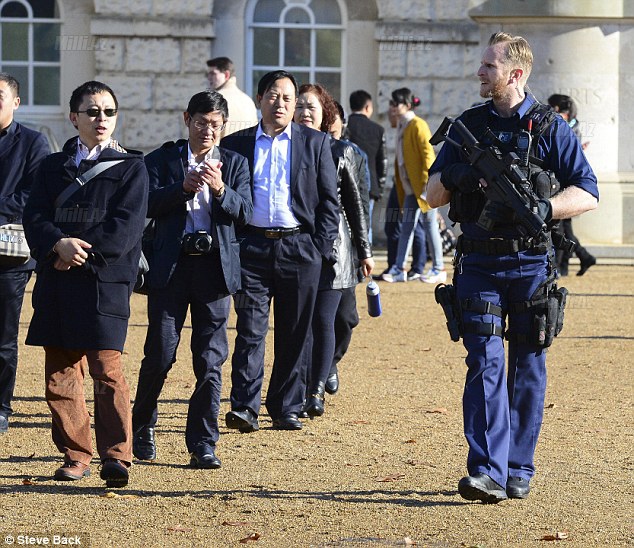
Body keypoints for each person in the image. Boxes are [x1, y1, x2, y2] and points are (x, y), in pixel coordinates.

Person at [426, 32, 599, 503]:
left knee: (528, 364)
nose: (480, 73)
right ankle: (487, 470)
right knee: (484, 362)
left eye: (489, 67)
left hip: (529, 262)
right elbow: (432, 194)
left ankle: (518, 467)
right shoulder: (468, 125)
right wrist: (463, 174)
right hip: (478, 261)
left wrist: (545, 210)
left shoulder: (549, 128)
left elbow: (587, 191)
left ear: (515, 74)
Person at [23, 81, 149, 488]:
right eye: (92, 111)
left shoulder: (132, 166)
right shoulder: (51, 166)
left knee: (106, 370)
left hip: (102, 281)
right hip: (57, 280)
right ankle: (75, 455)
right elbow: (34, 216)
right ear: (73, 116)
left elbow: (125, 227)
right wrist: (56, 243)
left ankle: (117, 456)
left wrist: (78, 253)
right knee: (60, 374)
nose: (101, 119)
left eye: (109, 112)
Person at [131, 91, 253, 468]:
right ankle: (142, 426)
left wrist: (219, 189)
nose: (208, 131)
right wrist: (182, 188)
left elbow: (246, 212)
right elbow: (144, 204)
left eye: (215, 125)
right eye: (201, 122)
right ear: (187, 119)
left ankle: (203, 442)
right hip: (171, 268)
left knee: (210, 360)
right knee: (160, 354)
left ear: (224, 126)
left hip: (214, 271)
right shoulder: (163, 159)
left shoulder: (234, 163)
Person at [220, 70, 339, 431]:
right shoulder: (237, 144)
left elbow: (329, 203)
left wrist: (319, 247)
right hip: (252, 247)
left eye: (288, 98)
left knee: (294, 331)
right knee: (250, 330)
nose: (281, 104)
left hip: (299, 247)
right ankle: (244, 406)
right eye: (273, 96)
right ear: (260, 99)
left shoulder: (314, 143)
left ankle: (286, 405)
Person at [294, 85, 374, 416]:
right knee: (300, 321)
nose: (304, 111)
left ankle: (315, 390)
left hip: (336, 245)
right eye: (299, 106)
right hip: (295, 244)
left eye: (310, 106)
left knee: (330, 319)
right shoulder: (283, 148)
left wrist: (364, 249)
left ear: (326, 113)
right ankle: (298, 387)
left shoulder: (342, 151)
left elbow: (356, 203)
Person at [0, 72, 50, 434]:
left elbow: (34, 194)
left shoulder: (33, 142)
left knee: (3, 337)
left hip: (9, 255)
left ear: (16, 102)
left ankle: (1, 407)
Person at [382, 88, 446, 284]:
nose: (393, 107)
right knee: (407, 227)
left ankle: (438, 268)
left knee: (430, 226)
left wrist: (430, 183)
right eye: (392, 103)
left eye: (396, 103)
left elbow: (428, 154)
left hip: (422, 187)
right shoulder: (403, 124)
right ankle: (399, 268)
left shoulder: (417, 124)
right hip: (411, 188)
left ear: (407, 105)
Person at [547, 93, 596, 277]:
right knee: (565, 229)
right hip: (562, 183)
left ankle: (563, 265)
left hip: (565, 184)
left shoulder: (566, 127)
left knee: (560, 228)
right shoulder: (569, 126)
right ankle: (581, 258)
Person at [346, 90, 387, 245]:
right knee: (365, 226)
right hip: (369, 186)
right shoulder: (377, 129)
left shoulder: (345, 126)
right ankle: (365, 260)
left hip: (346, 183)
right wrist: (380, 188)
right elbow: (382, 161)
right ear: (368, 107)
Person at [206, 56, 258, 136]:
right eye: (208, 74)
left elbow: (211, 137)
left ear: (226, 75)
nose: (209, 78)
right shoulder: (248, 101)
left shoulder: (215, 99)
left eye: (213, 73)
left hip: (222, 148)